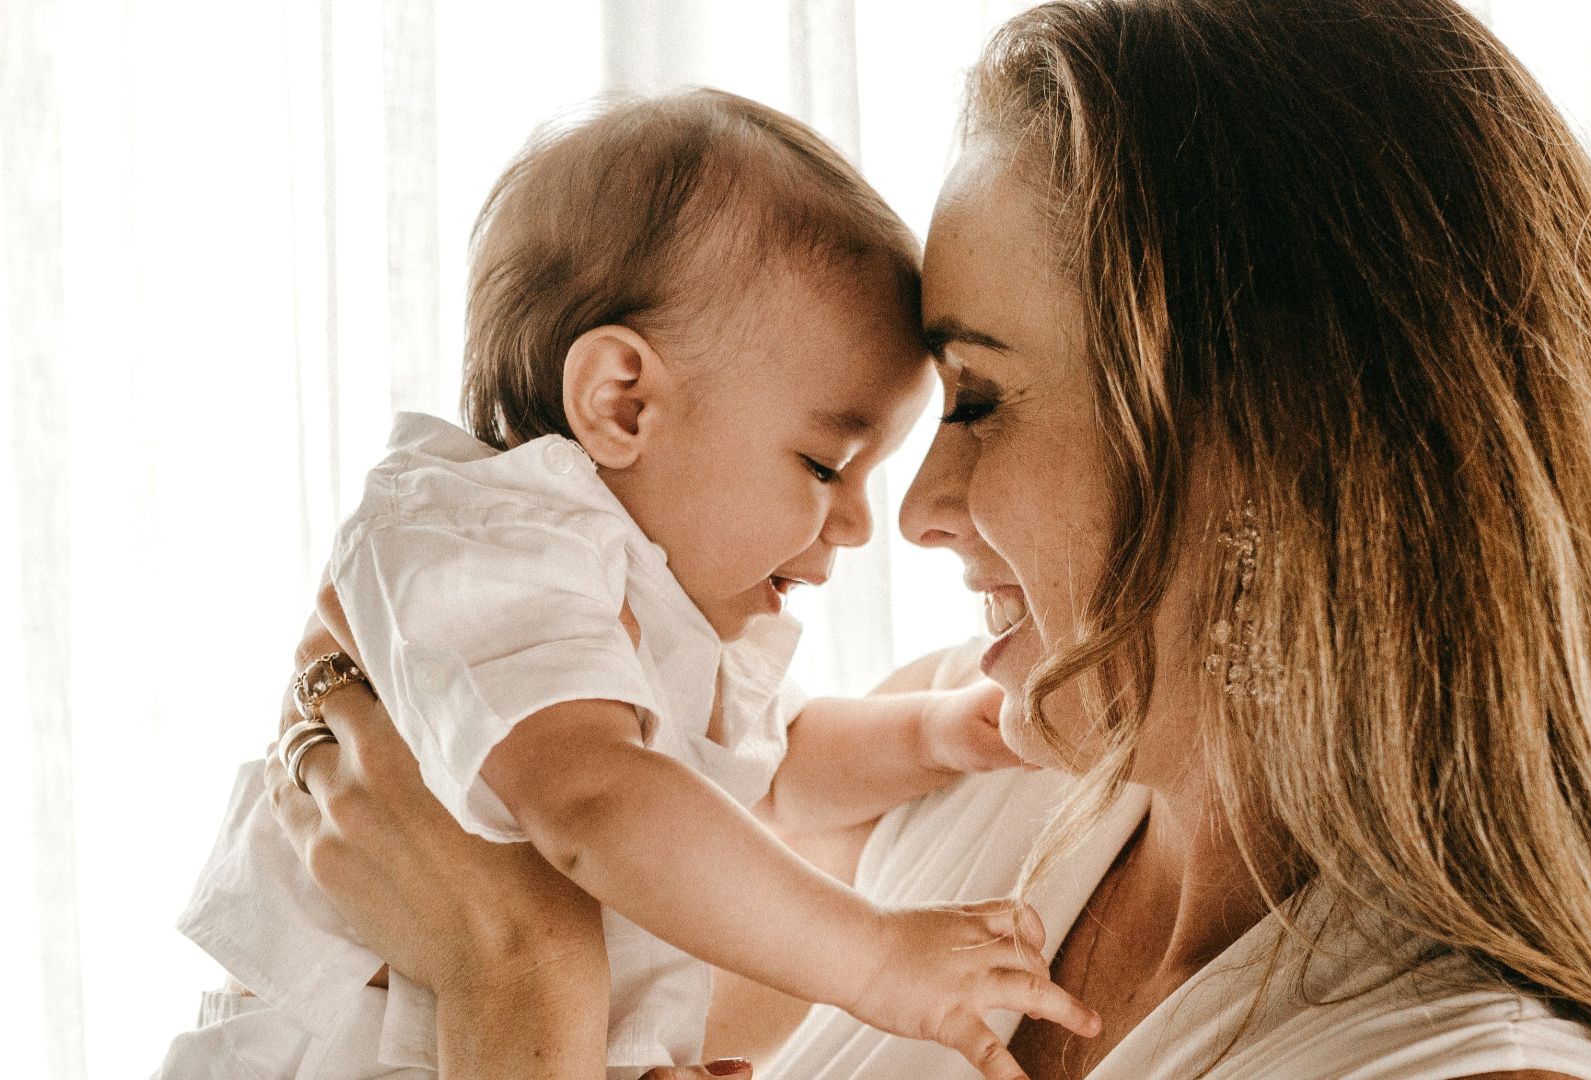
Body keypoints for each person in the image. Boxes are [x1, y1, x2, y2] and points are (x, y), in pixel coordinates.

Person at [263, 1, 1591, 1078]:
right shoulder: (970, 791)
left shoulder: (1458, 1062)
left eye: (975, 401)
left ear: (1264, 448)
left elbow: (551, 945)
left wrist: (507, 972)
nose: (911, 512)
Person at [158, 90, 1096, 1080]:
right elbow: (600, 799)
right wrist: (876, 957)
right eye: (826, 467)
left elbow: (764, 774)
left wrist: (935, 733)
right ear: (623, 402)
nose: (865, 524)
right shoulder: (481, 535)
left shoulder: (649, 605)